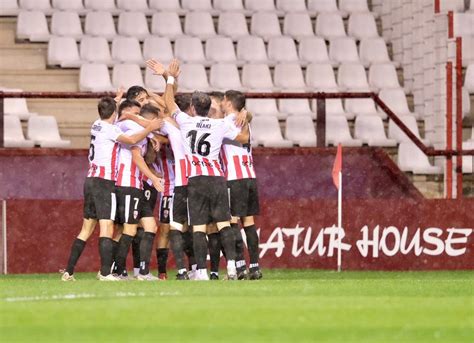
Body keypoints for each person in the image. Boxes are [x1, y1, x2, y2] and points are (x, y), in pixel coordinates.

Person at [146, 58, 250, 280]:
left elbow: (169, 104)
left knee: (199, 228)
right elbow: (243, 137)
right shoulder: (219, 125)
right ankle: (231, 265)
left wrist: (170, 78)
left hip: (195, 180)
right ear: (208, 109)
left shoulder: (185, 122)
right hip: (217, 179)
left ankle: (200, 271)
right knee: (223, 224)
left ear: (193, 107)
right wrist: (245, 119)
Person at [61, 97, 162, 281]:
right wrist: (149, 129)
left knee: (86, 229)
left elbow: (113, 115)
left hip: (90, 180)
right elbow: (131, 139)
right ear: (114, 113)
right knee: (107, 227)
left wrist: (115, 98)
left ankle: (69, 271)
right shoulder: (110, 129)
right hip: (104, 182)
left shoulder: (96, 124)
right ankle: (106, 273)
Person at [112, 100, 164, 281]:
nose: (139, 115)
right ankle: (116, 270)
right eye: (136, 112)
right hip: (126, 183)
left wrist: (151, 136)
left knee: (150, 227)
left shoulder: (140, 131)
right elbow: (136, 158)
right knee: (128, 229)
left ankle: (142, 272)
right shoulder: (127, 125)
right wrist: (153, 177)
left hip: (136, 185)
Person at [221, 90, 262, 280]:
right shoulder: (245, 121)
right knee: (249, 223)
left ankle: (239, 267)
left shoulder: (226, 123)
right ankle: (255, 266)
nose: (221, 103)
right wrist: (247, 114)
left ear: (229, 103)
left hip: (234, 178)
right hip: (249, 176)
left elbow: (242, 139)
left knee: (232, 222)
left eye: (223, 100)